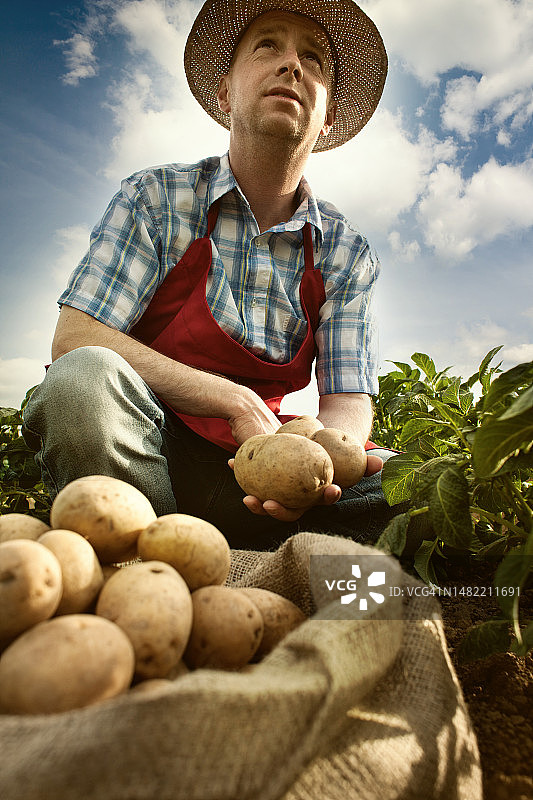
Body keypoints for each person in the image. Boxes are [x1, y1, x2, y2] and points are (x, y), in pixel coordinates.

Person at [23, 0, 400, 550]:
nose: (292, 65)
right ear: (225, 93)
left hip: (258, 471)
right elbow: (76, 337)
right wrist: (231, 399)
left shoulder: (345, 251)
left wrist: (315, 462)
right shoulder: (157, 198)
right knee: (83, 382)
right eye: (267, 45)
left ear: (328, 117)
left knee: (412, 482)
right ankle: (142, 557)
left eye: (314, 59)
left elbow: (348, 398)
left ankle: (220, 552)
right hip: (142, 447)